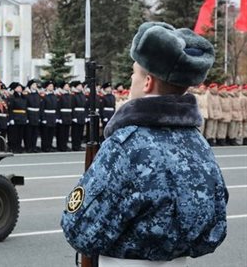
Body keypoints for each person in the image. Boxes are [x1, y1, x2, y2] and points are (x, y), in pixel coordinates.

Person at [61, 22, 227, 265]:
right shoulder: (198, 143)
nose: (130, 78)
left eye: (134, 72)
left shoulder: (126, 145)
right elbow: (213, 223)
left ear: (147, 82)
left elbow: (79, 229)